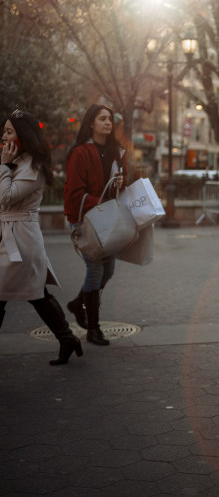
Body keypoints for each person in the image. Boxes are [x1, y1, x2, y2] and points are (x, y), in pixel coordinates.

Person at [0, 109, 83, 366]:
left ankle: (67, 337)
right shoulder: (15, 161)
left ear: (24, 135)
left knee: (33, 292)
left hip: (21, 239)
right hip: (10, 235)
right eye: (4, 130)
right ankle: (67, 338)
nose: (4, 136)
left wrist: (3, 165)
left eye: (9, 131)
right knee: (35, 293)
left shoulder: (32, 167)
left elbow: (5, 197)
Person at [63, 104, 127, 347]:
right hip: (86, 219)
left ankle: (77, 302)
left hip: (107, 218)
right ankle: (93, 328)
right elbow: (73, 192)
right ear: (91, 123)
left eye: (110, 119)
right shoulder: (80, 153)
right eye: (102, 119)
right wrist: (101, 203)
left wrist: (120, 182)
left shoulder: (116, 151)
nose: (108, 123)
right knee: (96, 269)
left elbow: (120, 183)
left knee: (108, 271)